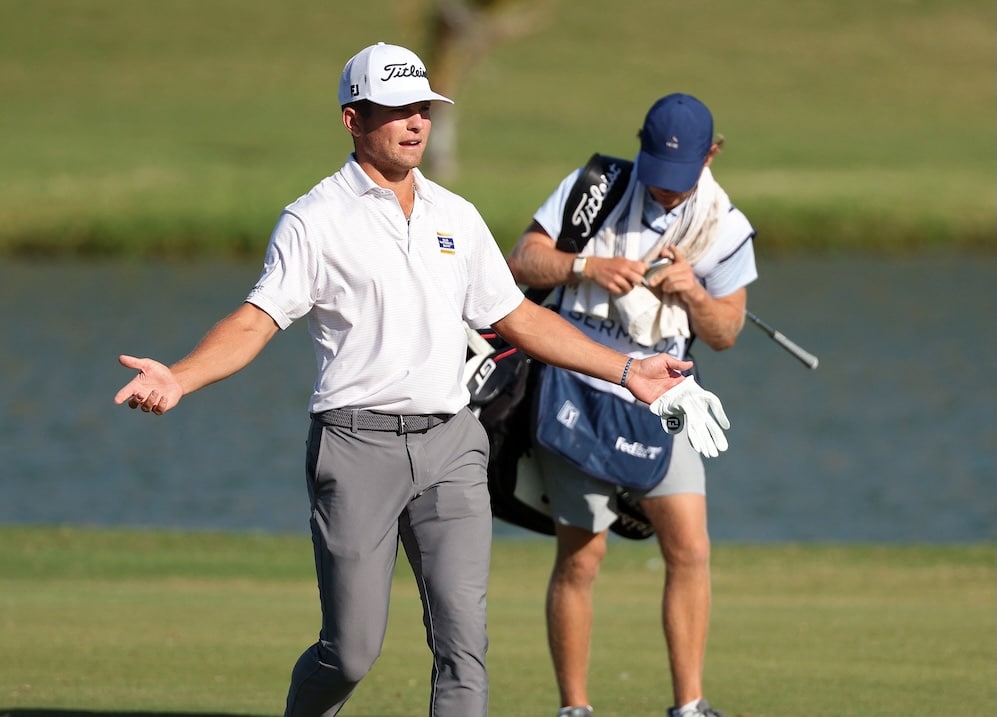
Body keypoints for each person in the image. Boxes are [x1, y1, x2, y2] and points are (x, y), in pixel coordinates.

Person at [113, 44, 705, 717]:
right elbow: (255, 321)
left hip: (452, 444)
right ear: (352, 118)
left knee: (462, 644)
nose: (415, 122)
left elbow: (515, 318)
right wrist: (181, 377)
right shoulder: (314, 218)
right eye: (397, 110)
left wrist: (628, 370)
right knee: (351, 649)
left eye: (422, 108)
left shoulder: (455, 215)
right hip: (355, 445)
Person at [506, 93, 757, 717]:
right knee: (582, 555)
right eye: (658, 177)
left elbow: (725, 331)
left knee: (690, 548)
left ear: (713, 154)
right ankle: (575, 708)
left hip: (666, 400)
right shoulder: (597, 185)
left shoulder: (723, 227)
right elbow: (524, 259)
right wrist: (587, 266)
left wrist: (694, 293)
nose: (666, 194)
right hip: (577, 390)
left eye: (680, 182)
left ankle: (689, 706)